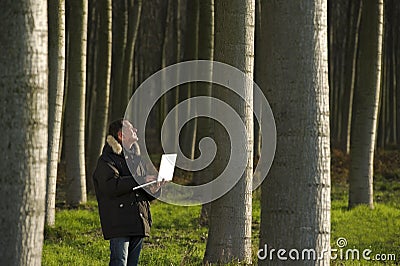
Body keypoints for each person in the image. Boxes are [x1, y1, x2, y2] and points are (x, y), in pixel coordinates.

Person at [93, 119, 161, 266]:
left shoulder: (137, 160)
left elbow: (141, 189)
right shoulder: (106, 160)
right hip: (119, 223)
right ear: (121, 135)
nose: (135, 129)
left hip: (138, 221)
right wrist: (141, 179)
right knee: (119, 263)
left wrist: (154, 188)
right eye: (131, 128)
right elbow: (111, 187)